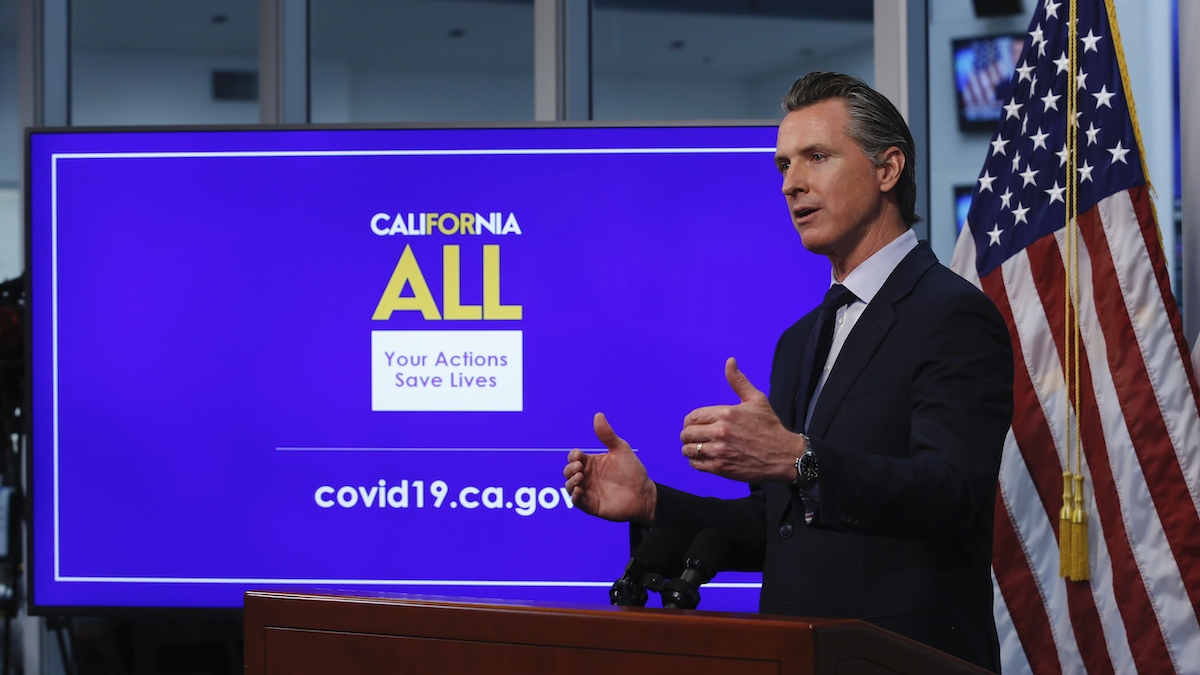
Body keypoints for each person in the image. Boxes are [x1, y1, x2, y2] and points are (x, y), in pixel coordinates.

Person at [563, 71, 1013, 673]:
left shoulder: (952, 314)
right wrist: (652, 503)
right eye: (783, 165)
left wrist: (800, 458)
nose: (791, 183)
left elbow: (951, 494)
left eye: (816, 157)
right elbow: (778, 528)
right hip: (797, 657)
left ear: (887, 169)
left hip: (906, 660)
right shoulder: (799, 340)